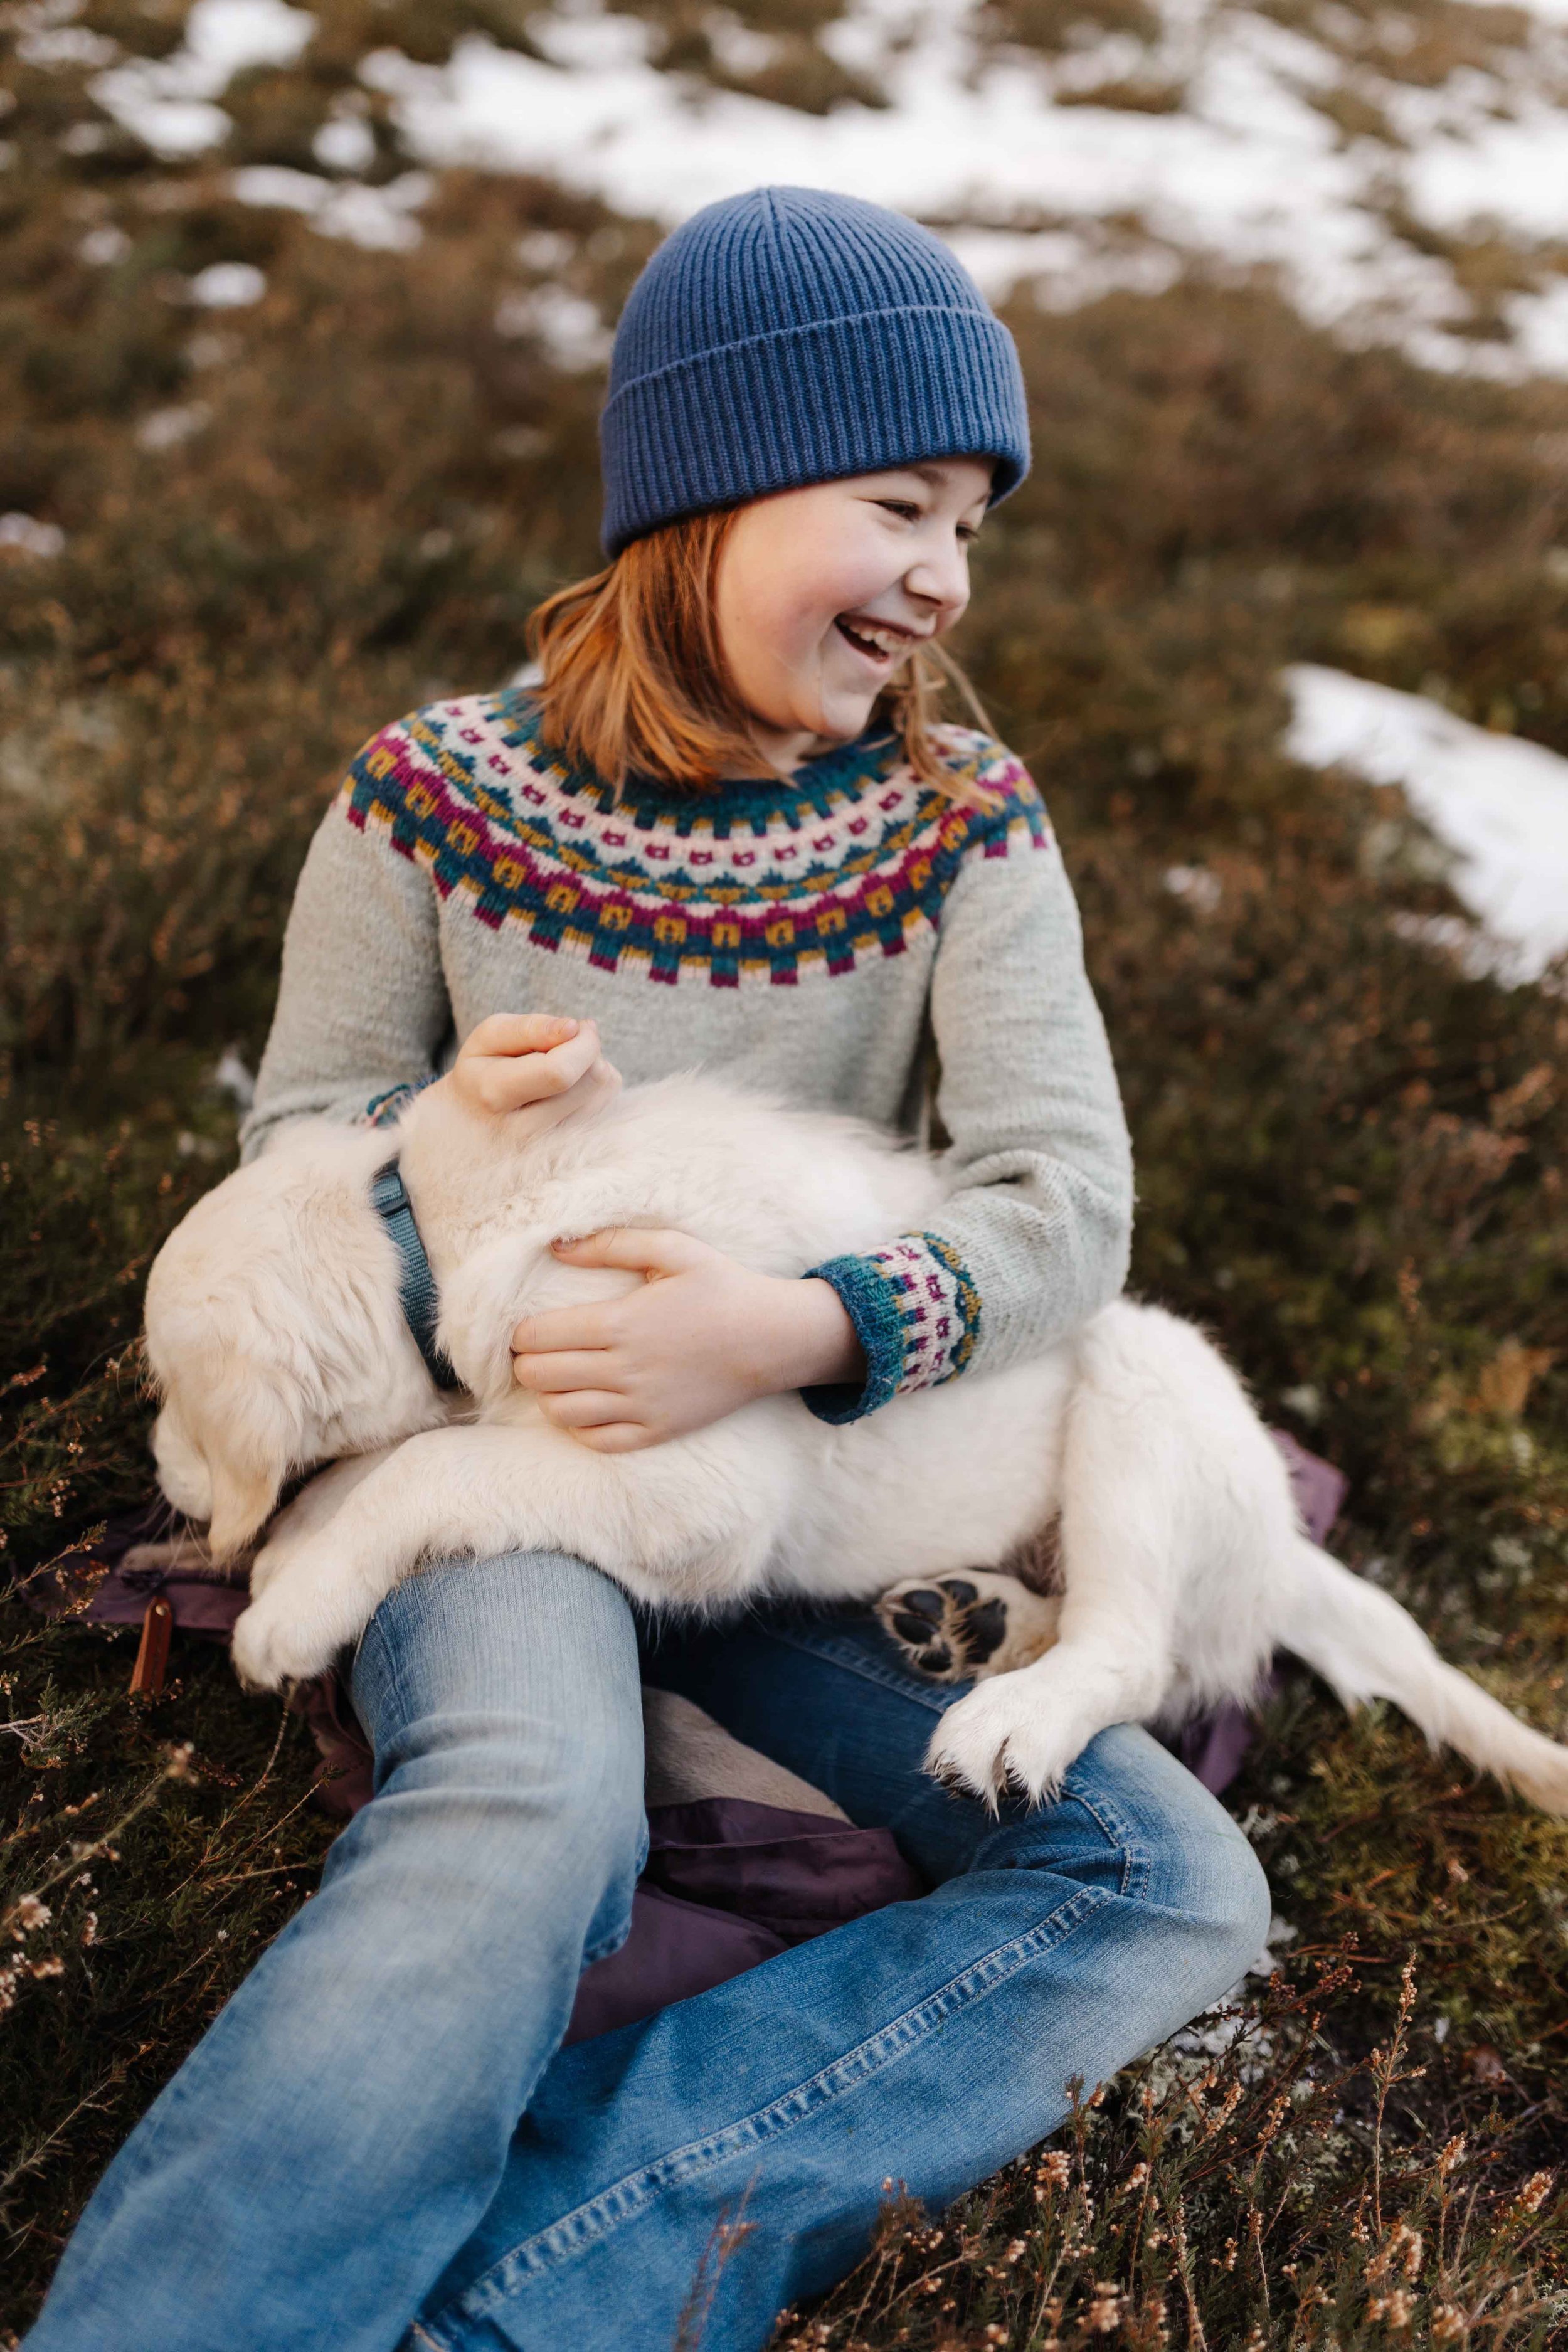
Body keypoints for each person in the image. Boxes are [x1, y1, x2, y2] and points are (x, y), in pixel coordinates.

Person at [26, 186, 1269, 2352]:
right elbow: (299, 1140)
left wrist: (799, 1328)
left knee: (1168, 1887)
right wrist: (439, 1132)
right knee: (531, 1798)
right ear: (709, 490)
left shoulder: (960, 822)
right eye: (897, 504)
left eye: (971, 525)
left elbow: (1066, 1198)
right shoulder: (431, 796)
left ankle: (531, 2300)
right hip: (501, 1465)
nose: (946, 577)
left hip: (827, 1483)